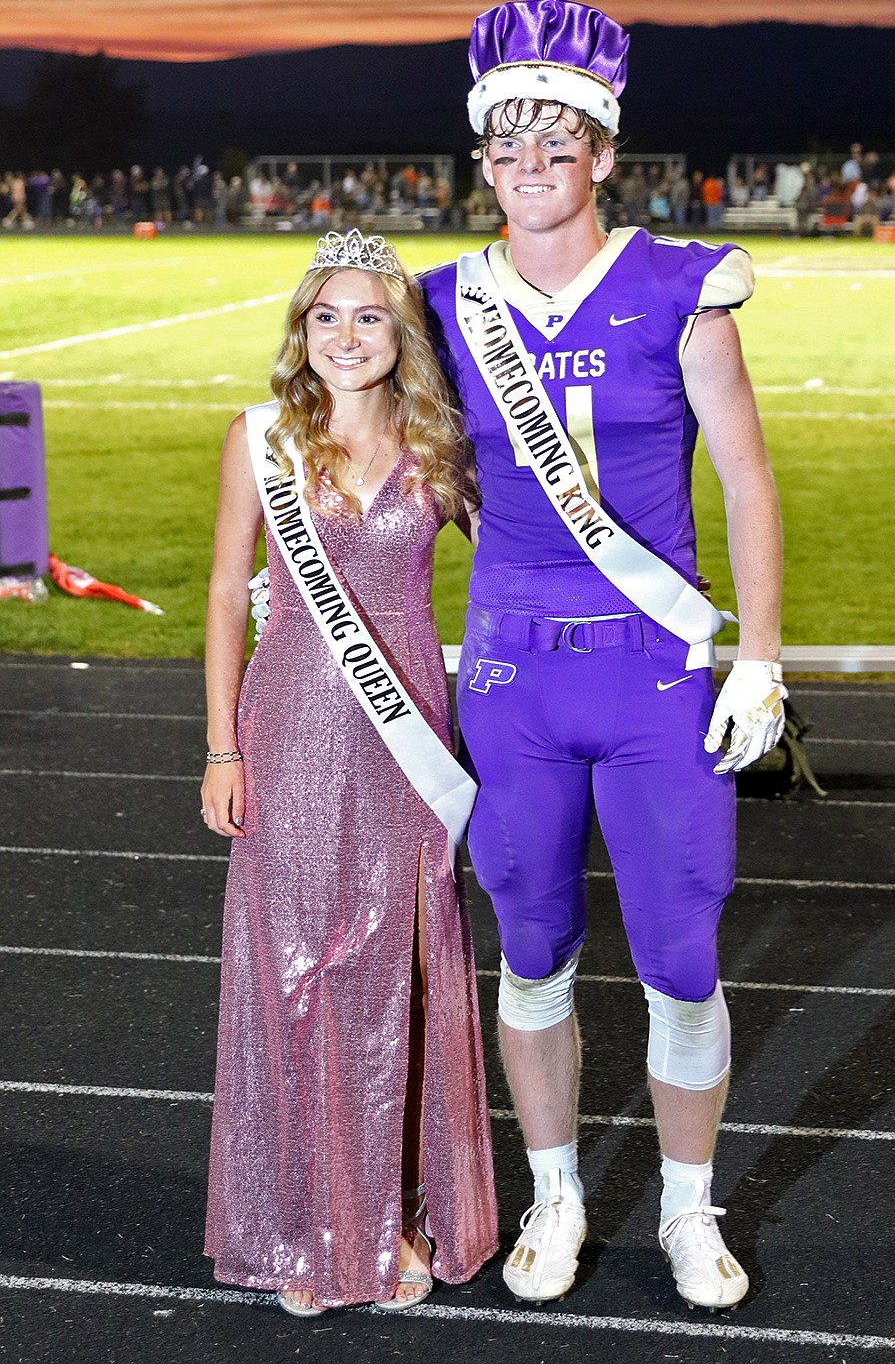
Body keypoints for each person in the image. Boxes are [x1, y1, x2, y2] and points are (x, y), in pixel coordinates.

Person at [421, 0, 785, 1313]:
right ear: (484, 160)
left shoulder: (684, 288)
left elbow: (745, 479)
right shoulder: (441, 304)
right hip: (514, 671)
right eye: (508, 145)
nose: (531, 165)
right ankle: (556, 1196)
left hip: (652, 669)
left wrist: (763, 656)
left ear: (602, 153)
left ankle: (693, 1208)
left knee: (682, 950)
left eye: (556, 143)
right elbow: (404, 468)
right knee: (533, 948)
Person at [201, 230, 497, 1315]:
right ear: (300, 331)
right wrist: (221, 745)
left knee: (395, 969)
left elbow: (523, 560)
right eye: (324, 315)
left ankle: (399, 1217)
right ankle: (305, 1222)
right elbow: (228, 592)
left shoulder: (445, 446)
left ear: (401, 332)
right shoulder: (262, 439)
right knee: (295, 966)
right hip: (285, 724)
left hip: (403, 729)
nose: (344, 335)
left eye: (369, 315)